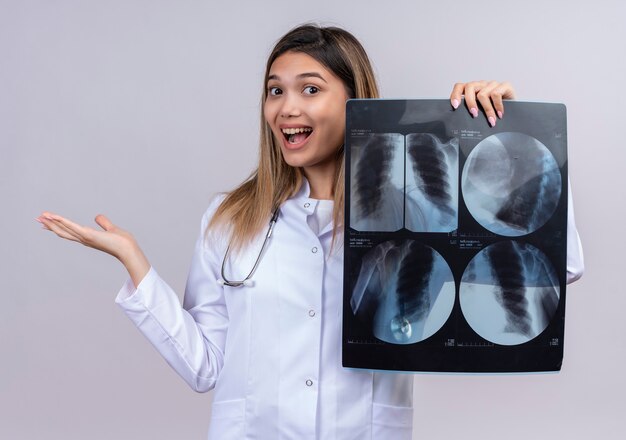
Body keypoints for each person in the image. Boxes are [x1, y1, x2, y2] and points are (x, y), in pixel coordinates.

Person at [37, 24, 584, 440]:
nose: (286, 107)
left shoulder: (417, 211)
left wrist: (510, 135)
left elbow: (558, 265)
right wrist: (135, 263)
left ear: (354, 101)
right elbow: (205, 368)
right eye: (275, 91)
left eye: (309, 88)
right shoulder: (229, 219)